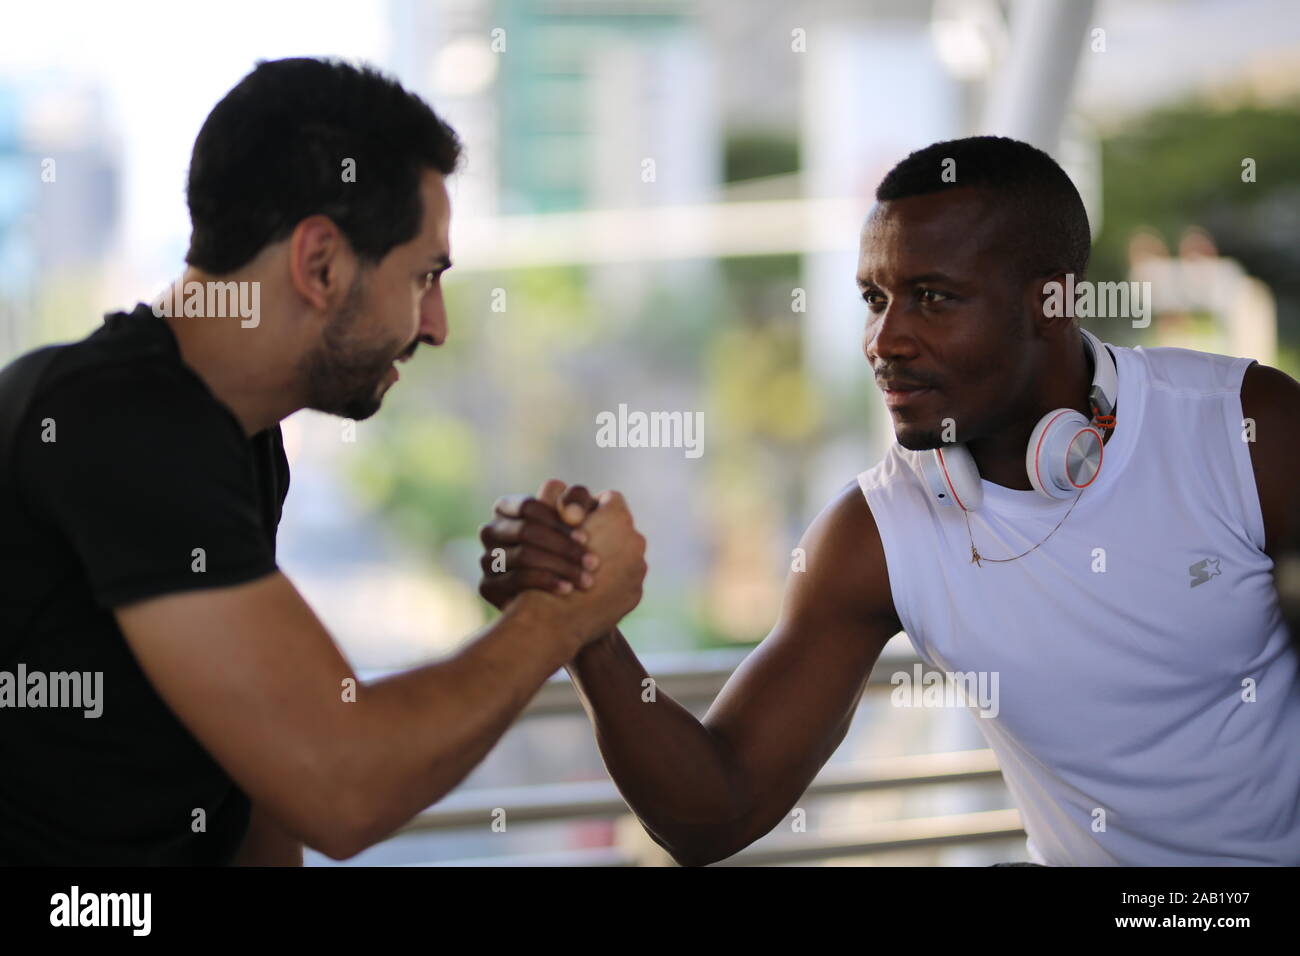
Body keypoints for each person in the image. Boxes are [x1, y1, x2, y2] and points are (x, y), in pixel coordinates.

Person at [480, 136, 1300, 866]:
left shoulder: (1248, 431)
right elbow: (713, 814)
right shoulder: (875, 535)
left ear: (1049, 302)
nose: (885, 340)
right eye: (875, 298)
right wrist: (584, 631)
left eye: (933, 297)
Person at [0, 56, 646, 865]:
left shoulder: (233, 433)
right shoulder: (116, 420)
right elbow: (343, 786)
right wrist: (562, 614)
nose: (437, 324)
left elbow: (261, 780)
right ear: (321, 264)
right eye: (425, 277)